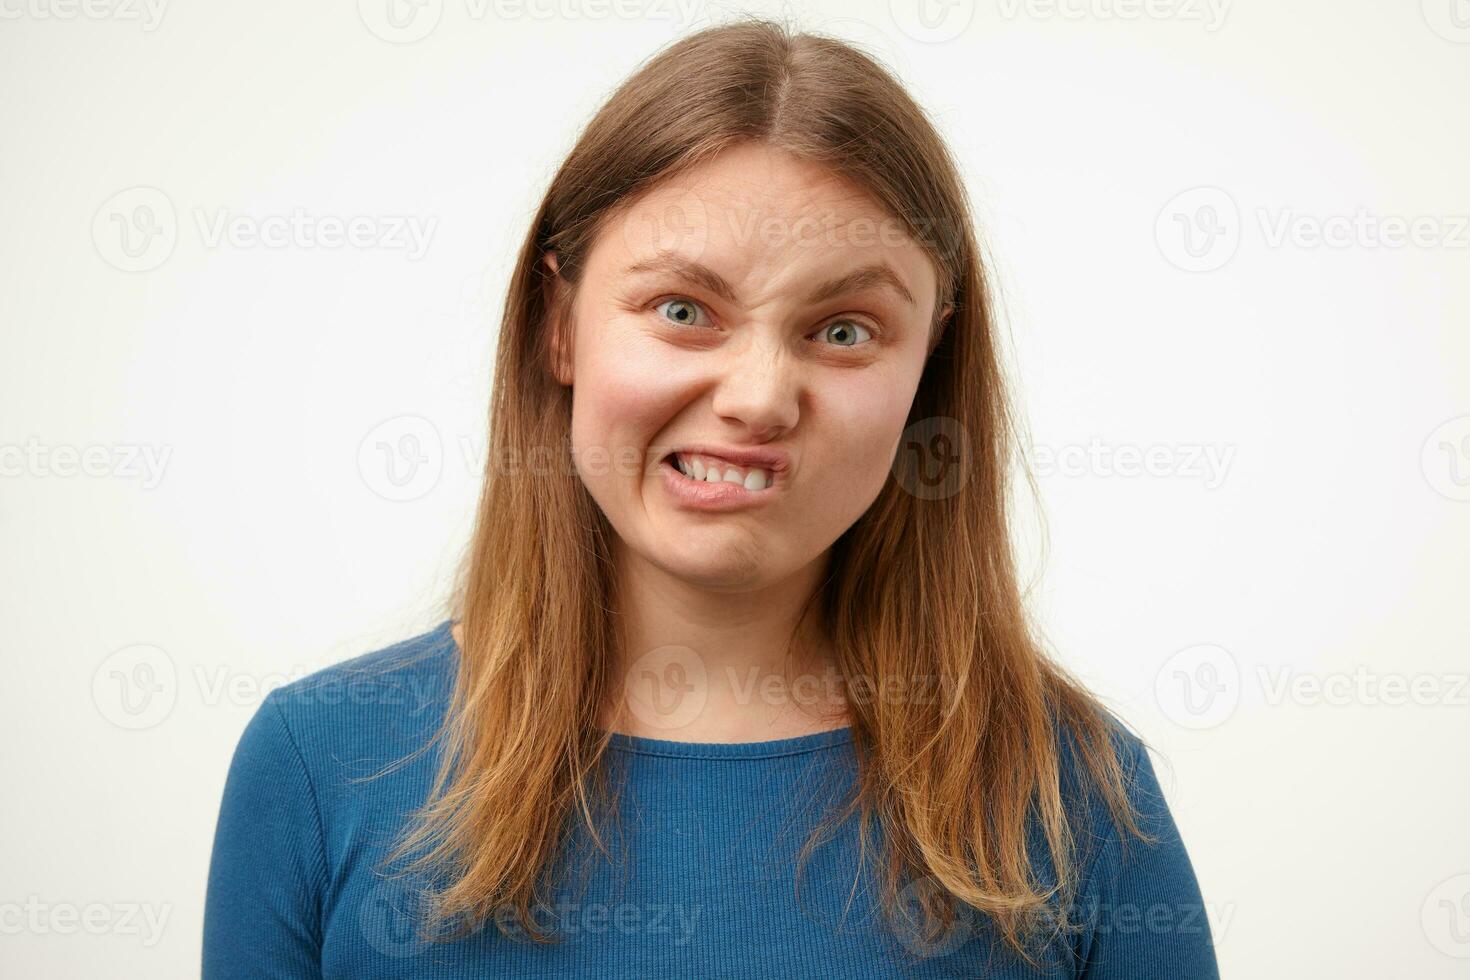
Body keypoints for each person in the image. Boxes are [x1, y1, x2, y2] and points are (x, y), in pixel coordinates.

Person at [203, 17, 1219, 978]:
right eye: (683, 309)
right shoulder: (319, 762)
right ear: (560, 325)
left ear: (928, 368)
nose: (759, 397)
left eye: (846, 328)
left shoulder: (1073, 791)